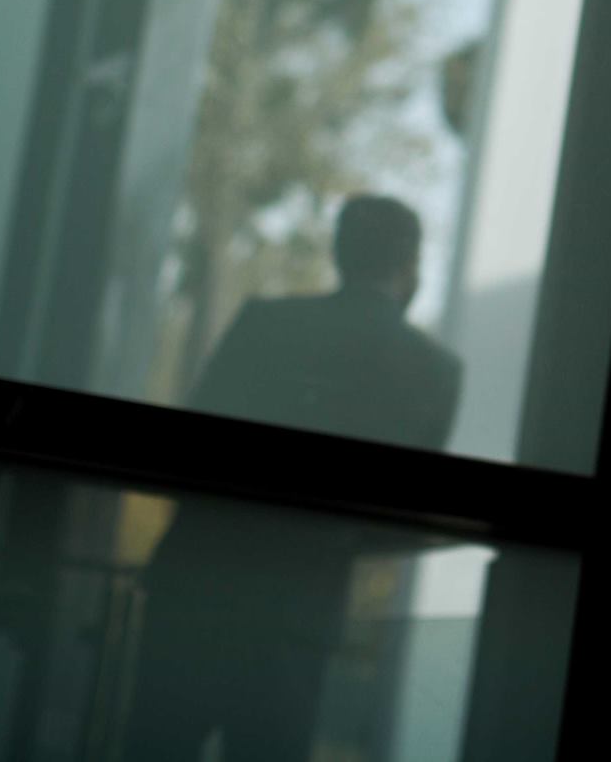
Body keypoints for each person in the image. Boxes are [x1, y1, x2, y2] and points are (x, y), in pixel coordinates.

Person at [124, 194, 463, 762]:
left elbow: (191, 445)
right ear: (411, 265)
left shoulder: (265, 325)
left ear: (339, 251)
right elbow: (401, 512)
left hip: (196, 587)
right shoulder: (434, 371)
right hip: (298, 615)